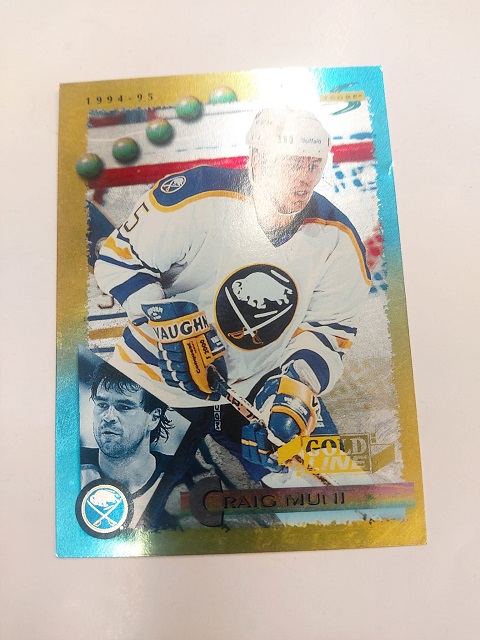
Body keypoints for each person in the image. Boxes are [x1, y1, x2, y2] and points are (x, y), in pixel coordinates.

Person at [94, 107, 371, 484]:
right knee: (124, 493)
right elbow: (120, 259)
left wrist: (292, 391)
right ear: (257, 160)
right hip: (152, 378)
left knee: (335, 488)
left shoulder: (338, 239)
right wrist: (165, 323)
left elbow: (329, 330)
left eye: (314, 164)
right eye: (293, 162)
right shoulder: (195, 195)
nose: (305, 178)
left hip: (256, 380)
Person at [81, 360, 177, 529]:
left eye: (124, 407)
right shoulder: (68, 465)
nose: (108, 417)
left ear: (154, 418)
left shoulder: (178, 475)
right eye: (102, 405)